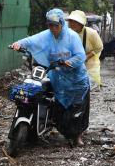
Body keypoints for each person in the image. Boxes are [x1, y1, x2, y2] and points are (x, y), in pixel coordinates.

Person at [10, 8, 90, 146]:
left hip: (76, 80)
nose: (53, 28)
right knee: (59, 107)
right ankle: (44, 128)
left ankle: (77, 137)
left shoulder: (72, 36)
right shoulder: (46, 35)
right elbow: (30, 41)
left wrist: (68, 62)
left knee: (78, 110)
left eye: (56, 25)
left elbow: (81, 56)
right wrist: (19, 44)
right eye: (50, 25)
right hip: (58, 77)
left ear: (62, 24)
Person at [67, 10, 103, 88]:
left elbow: (99, 47)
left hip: (90, 63)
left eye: (75, 21)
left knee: (87, 85)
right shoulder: (66, 34)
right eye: (70, 21)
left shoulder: (92, 33)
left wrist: (86, 57)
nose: (72, 24)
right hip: (72, 62)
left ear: (81, 23)